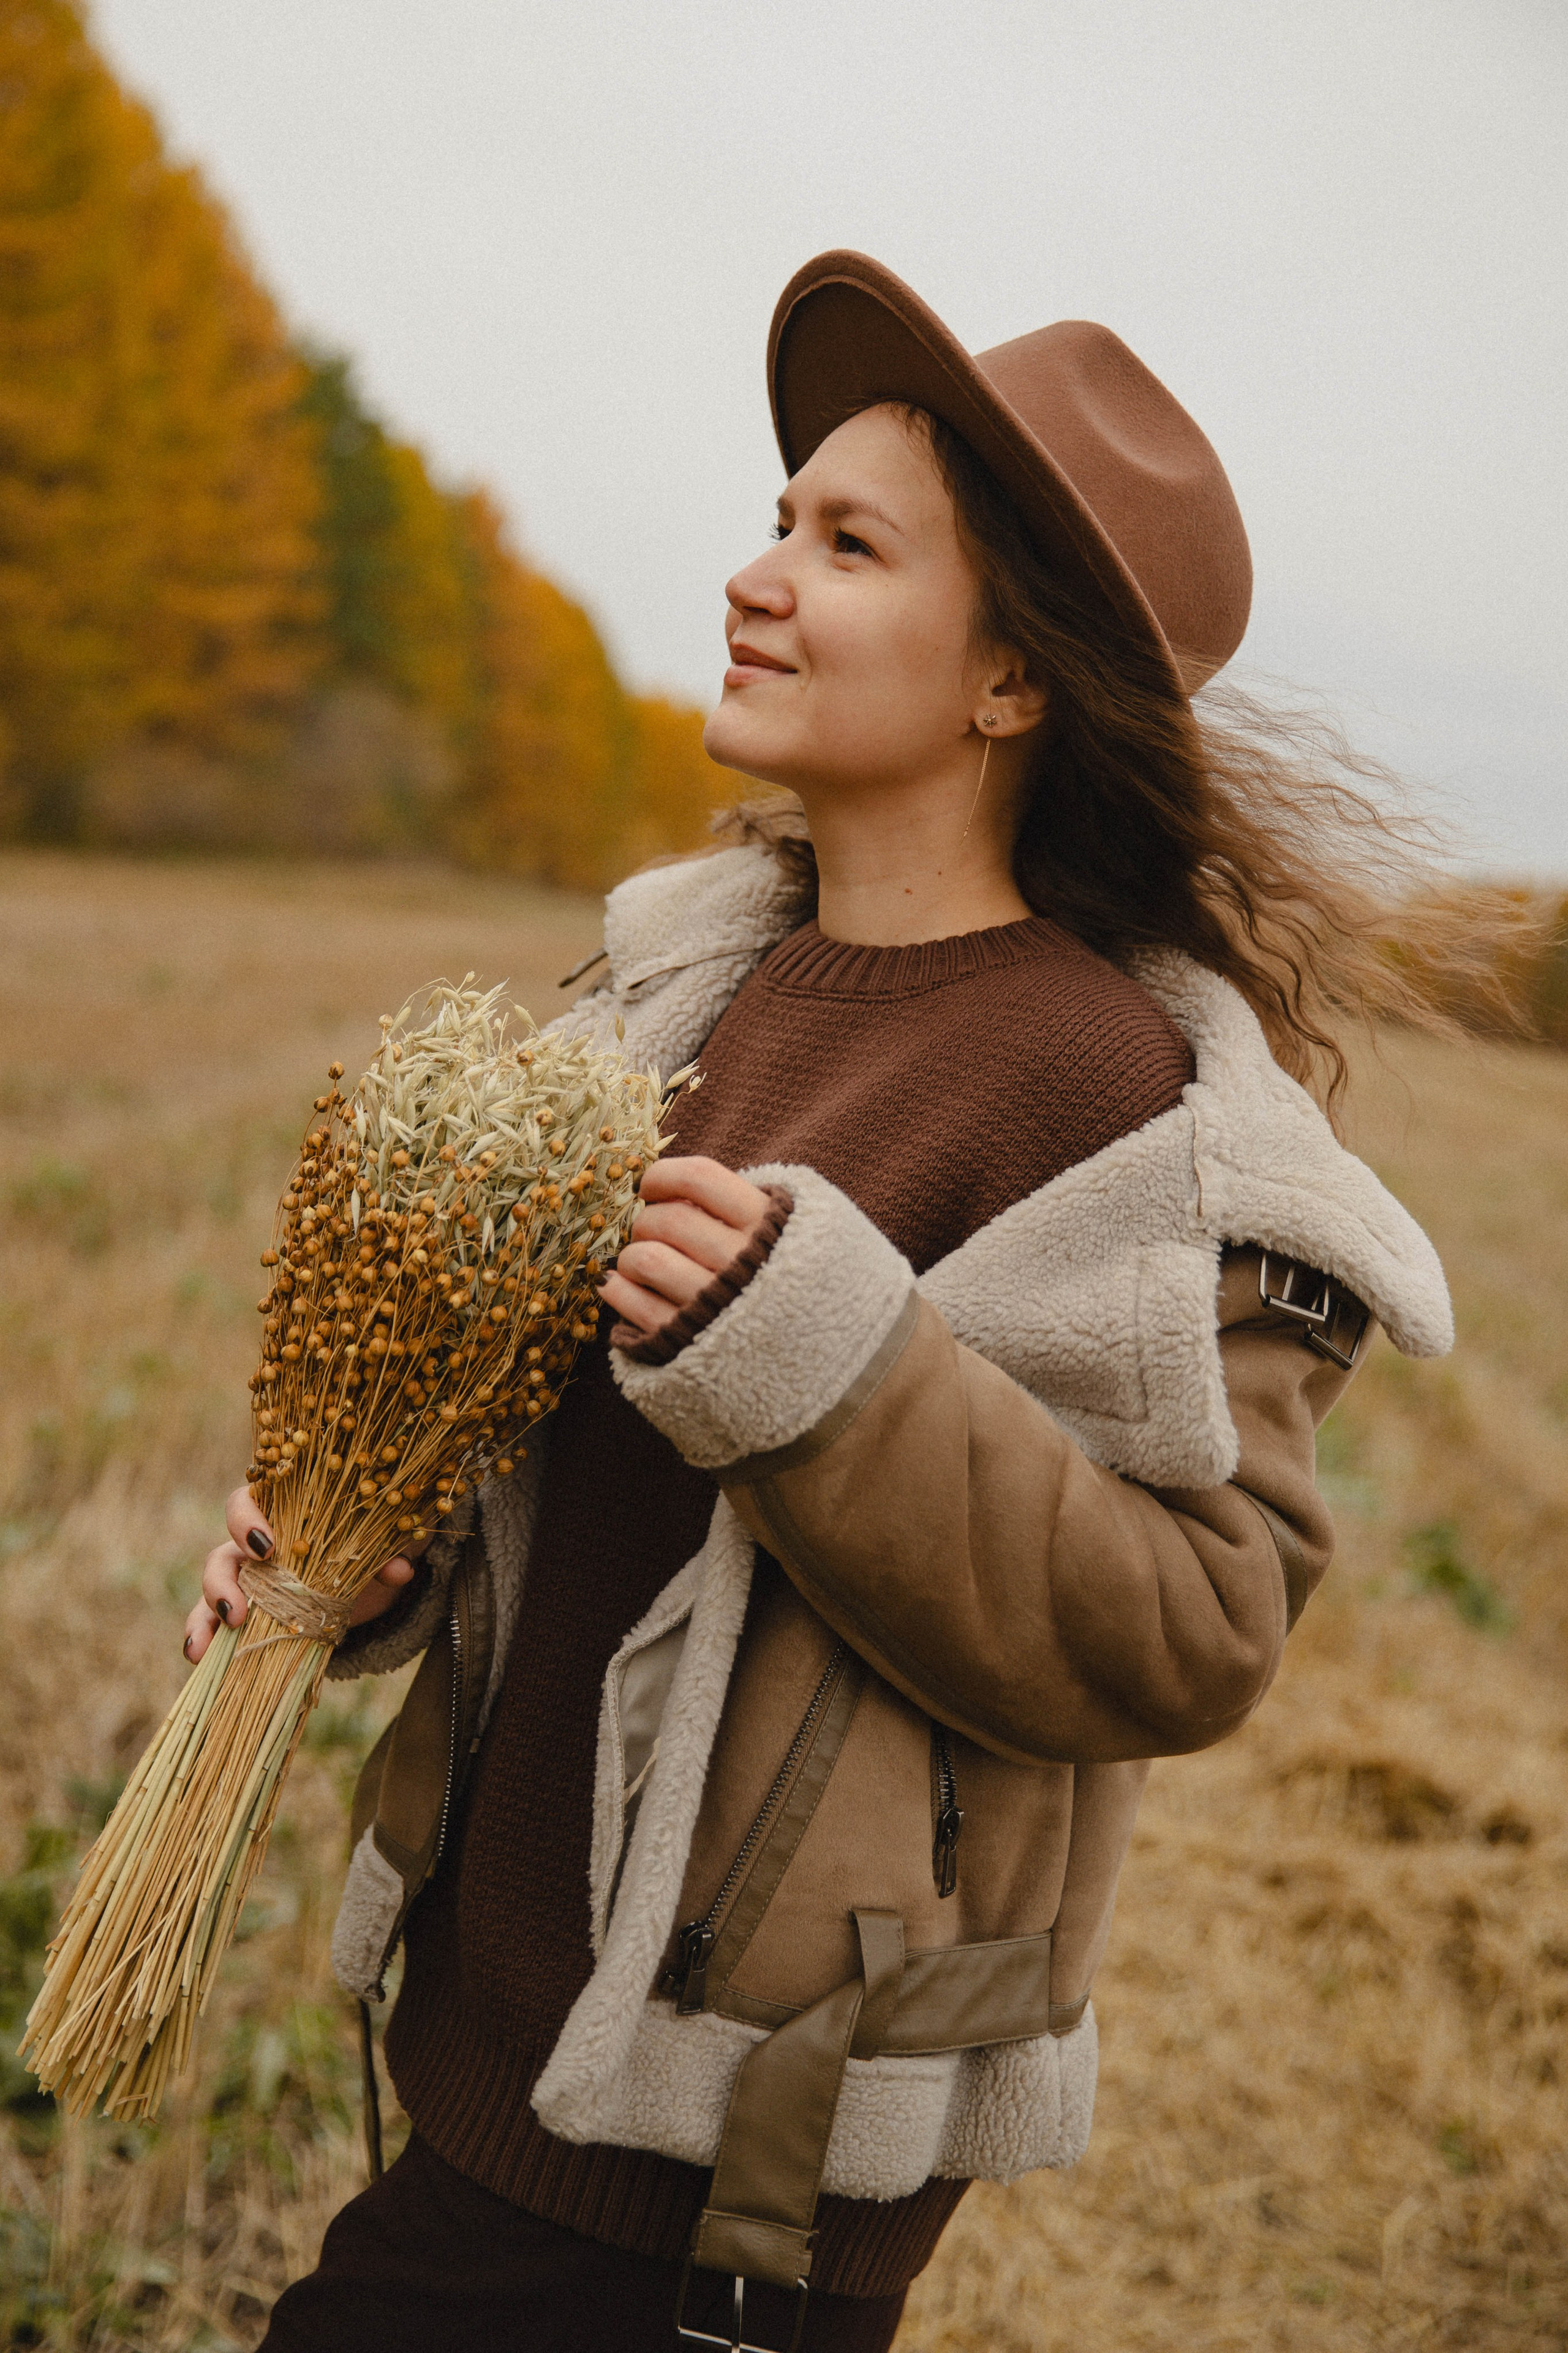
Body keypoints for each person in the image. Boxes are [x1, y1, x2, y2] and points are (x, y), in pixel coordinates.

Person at [187, 252, 1455, 2353]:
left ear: (1010, 681)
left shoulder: (1109, 1095)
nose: (755, 575)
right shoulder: (694, 999)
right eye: (781, 519)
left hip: (721, 2170)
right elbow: (598, 1501)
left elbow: (1200, 1618)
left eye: (847, 545)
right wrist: (379, 1549)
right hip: (497, 2050)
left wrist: (830, 1360)